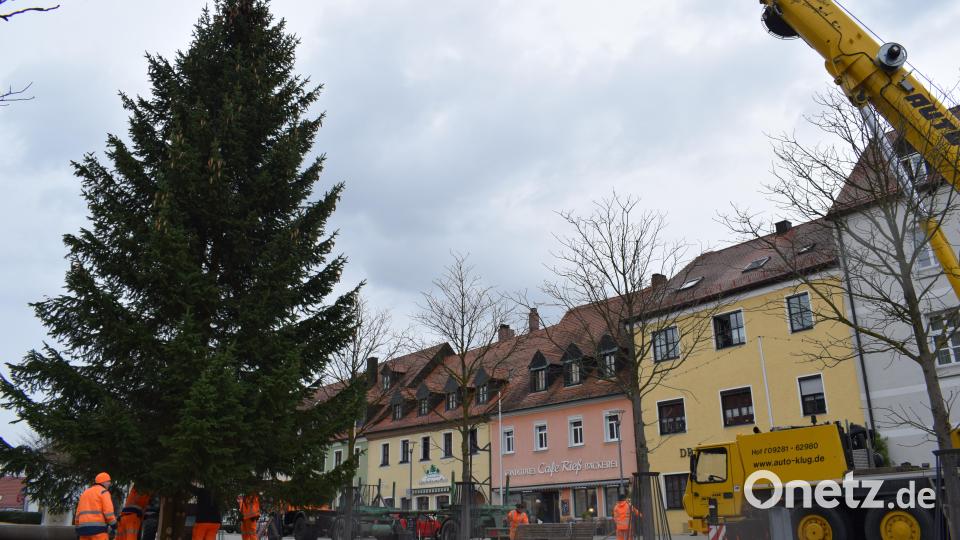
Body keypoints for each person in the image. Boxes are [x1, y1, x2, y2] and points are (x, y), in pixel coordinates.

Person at [74, 472, 118, 540]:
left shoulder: (85, 493)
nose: (109, 484)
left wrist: (77, 527)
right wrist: (115, 526)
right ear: (104, 481)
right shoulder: (103, 492)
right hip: (98, 531)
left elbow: (78, 512)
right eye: (108, 481)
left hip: (83, 531)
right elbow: (108, 512)